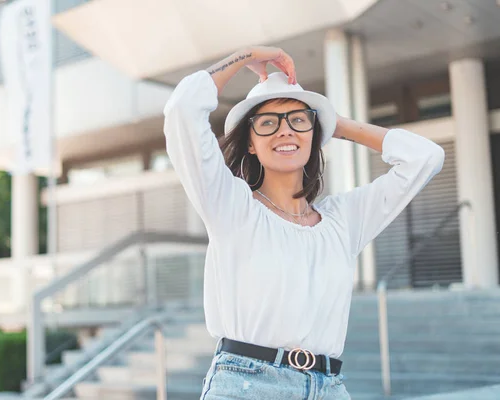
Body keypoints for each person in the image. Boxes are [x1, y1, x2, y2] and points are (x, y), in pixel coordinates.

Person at [163, 46, 444, 400]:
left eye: (298, 120)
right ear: (250, 143)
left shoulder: (343, 221)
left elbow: (426, 158)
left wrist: (336, 124)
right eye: (268, 123)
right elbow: (182, 110)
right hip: (247, 384)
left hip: (328, 386)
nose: (285, 131)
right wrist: (247, 55)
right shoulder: (230, 205)